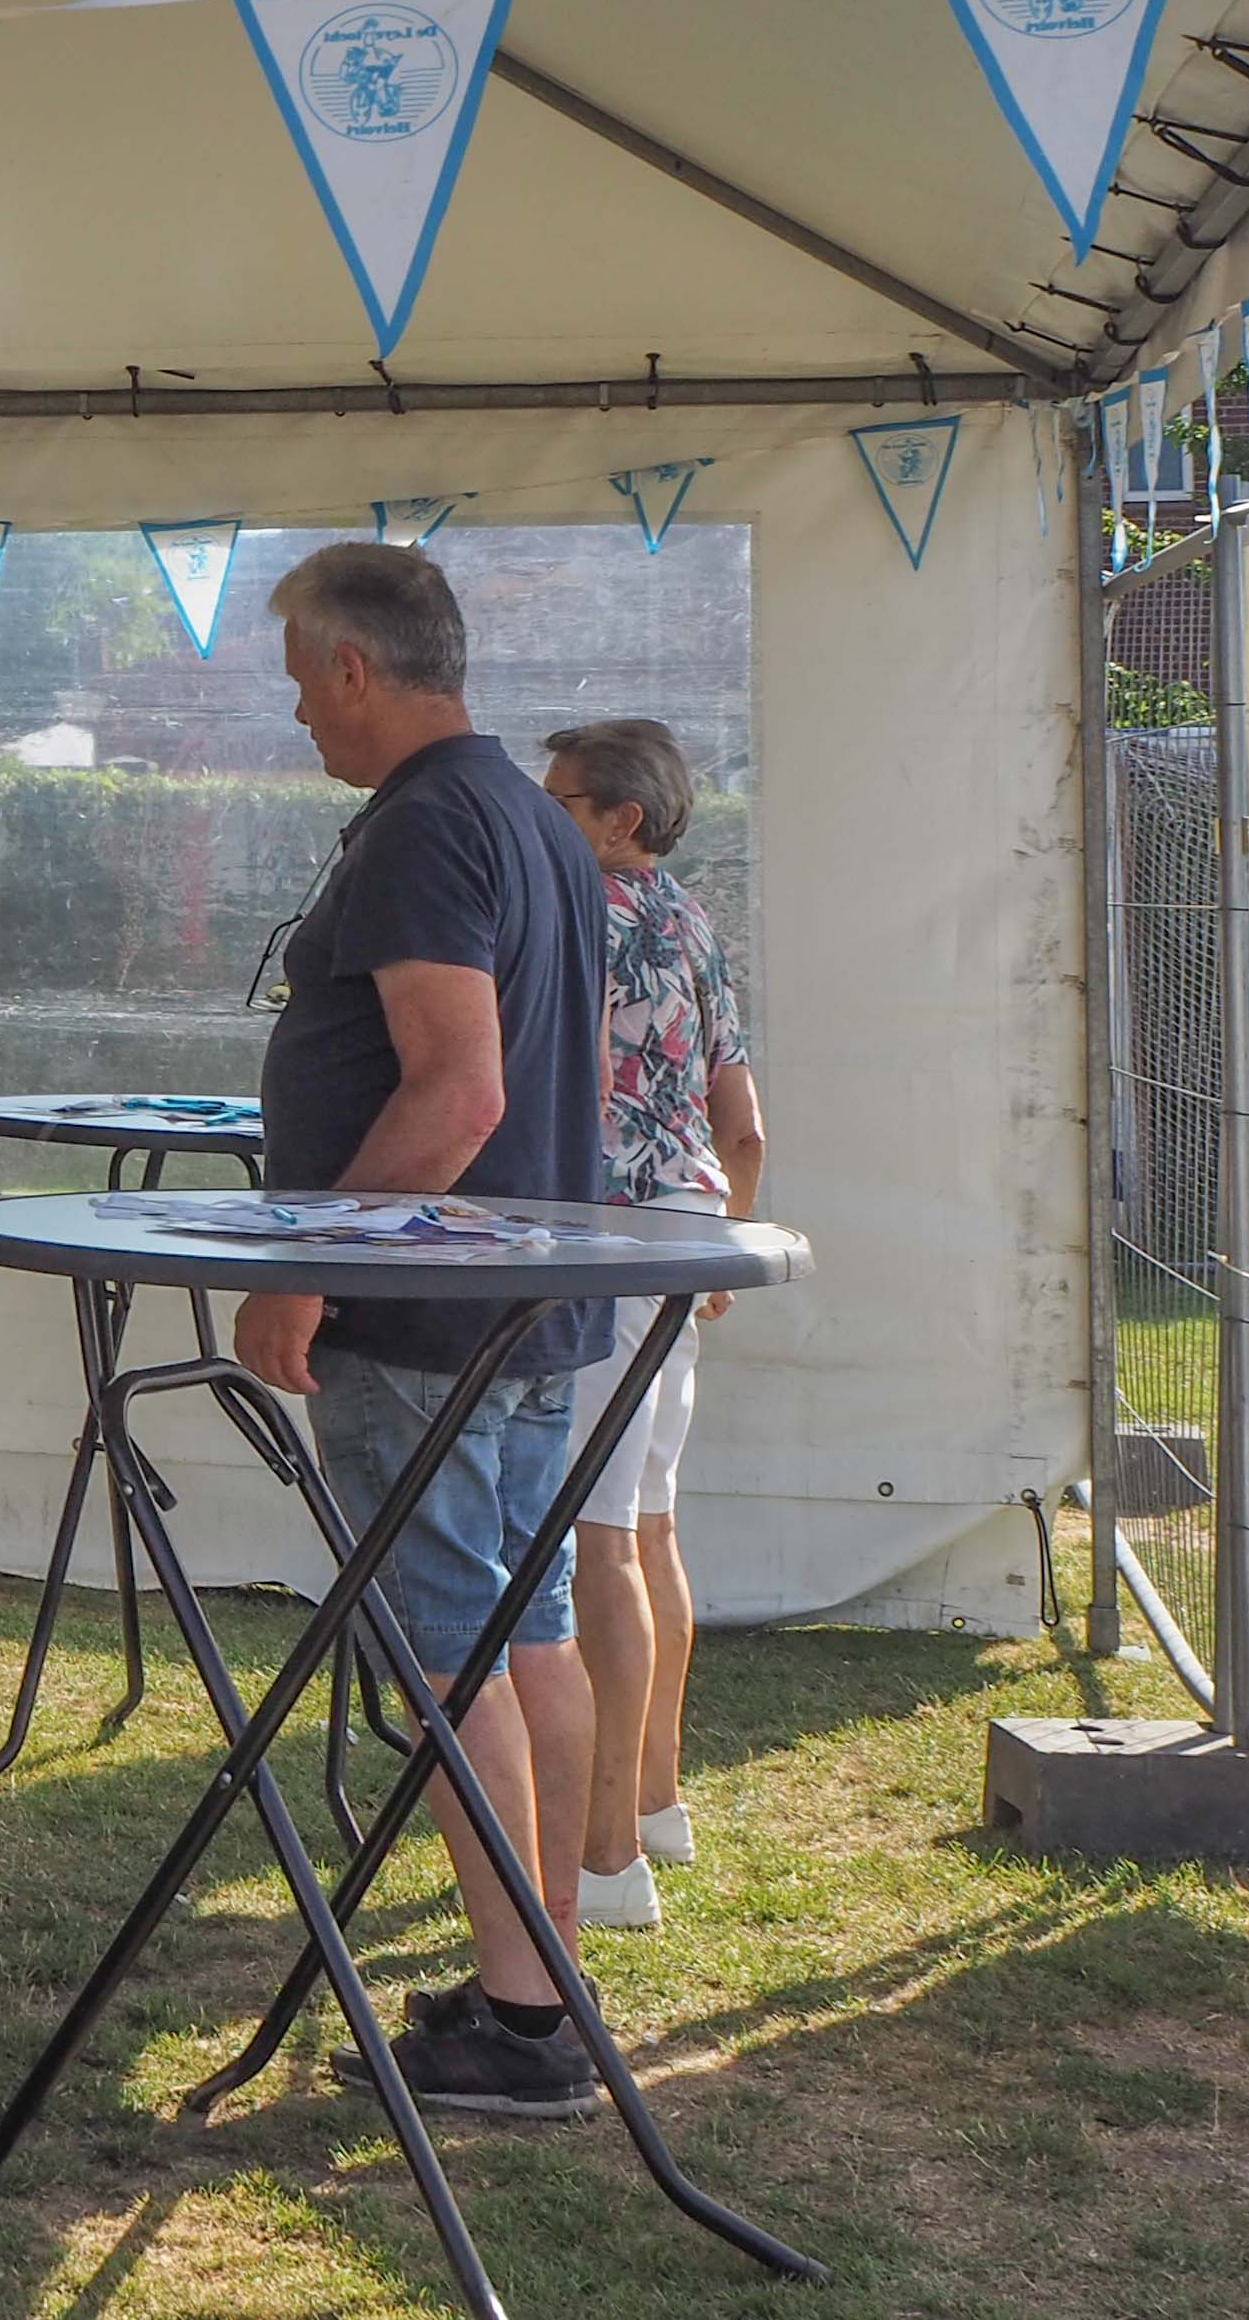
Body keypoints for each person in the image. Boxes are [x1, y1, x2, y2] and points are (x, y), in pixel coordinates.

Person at [230, 544, 609, 2120]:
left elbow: (459, 1088)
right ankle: (548, 1975)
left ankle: (522, 2020)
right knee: (529, 1634)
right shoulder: (534, 816)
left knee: (450, 1660)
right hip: (527, 1309)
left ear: (354, 668)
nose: (298, 713)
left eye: (301, 679)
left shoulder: (425, 824)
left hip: (422, 1325)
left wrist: (309, 1262)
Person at [538, 719, 767, 1931]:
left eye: (560, 801)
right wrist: (724, 1236)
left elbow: (558, 1084)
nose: (542, 818)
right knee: (651, 1522)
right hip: (684, 1232)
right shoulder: (692, 920)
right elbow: (746, 1123)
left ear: (621, 817)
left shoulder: (582, 916)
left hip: (607, 1237)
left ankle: (606, 1857)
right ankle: (658, 1800)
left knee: (599, 1539)